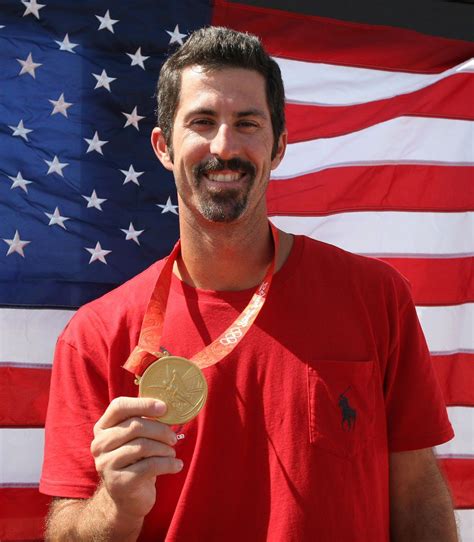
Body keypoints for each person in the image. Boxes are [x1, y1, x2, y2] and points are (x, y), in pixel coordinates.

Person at [41, 27, 458, 541]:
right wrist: (117, 506)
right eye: (201, 122)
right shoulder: (97, 333)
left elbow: (416, 497)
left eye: (247, 123)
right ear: (163, 147)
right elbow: (66, 531)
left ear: (278, 146)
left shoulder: (376, 297)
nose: (224, 145)